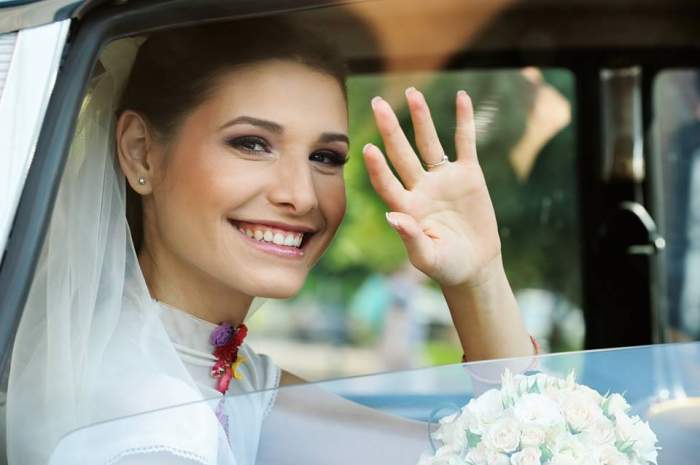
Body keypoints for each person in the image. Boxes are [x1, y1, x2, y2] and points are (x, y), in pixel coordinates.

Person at [6, 18, 536, 465]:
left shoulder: (218, 370)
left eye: (324, 157)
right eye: (252, 144)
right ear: (141, 151)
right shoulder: (148, 424)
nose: (300, 195)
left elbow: (470, 457)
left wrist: (478, 277)